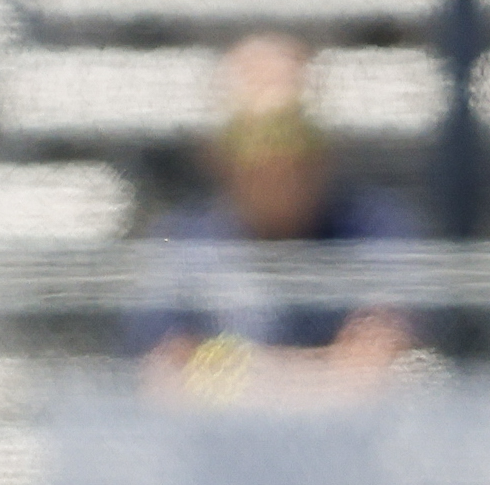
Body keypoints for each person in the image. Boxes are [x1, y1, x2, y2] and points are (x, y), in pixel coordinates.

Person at [126, 34, 417, 387]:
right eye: (253, 133)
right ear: (217, 149)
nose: (277, 156)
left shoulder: (375, 231)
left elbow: (372, 374)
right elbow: (167, 380)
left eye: (293, 128)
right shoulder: (180, 244)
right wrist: (320, 372)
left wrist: (224, 371)